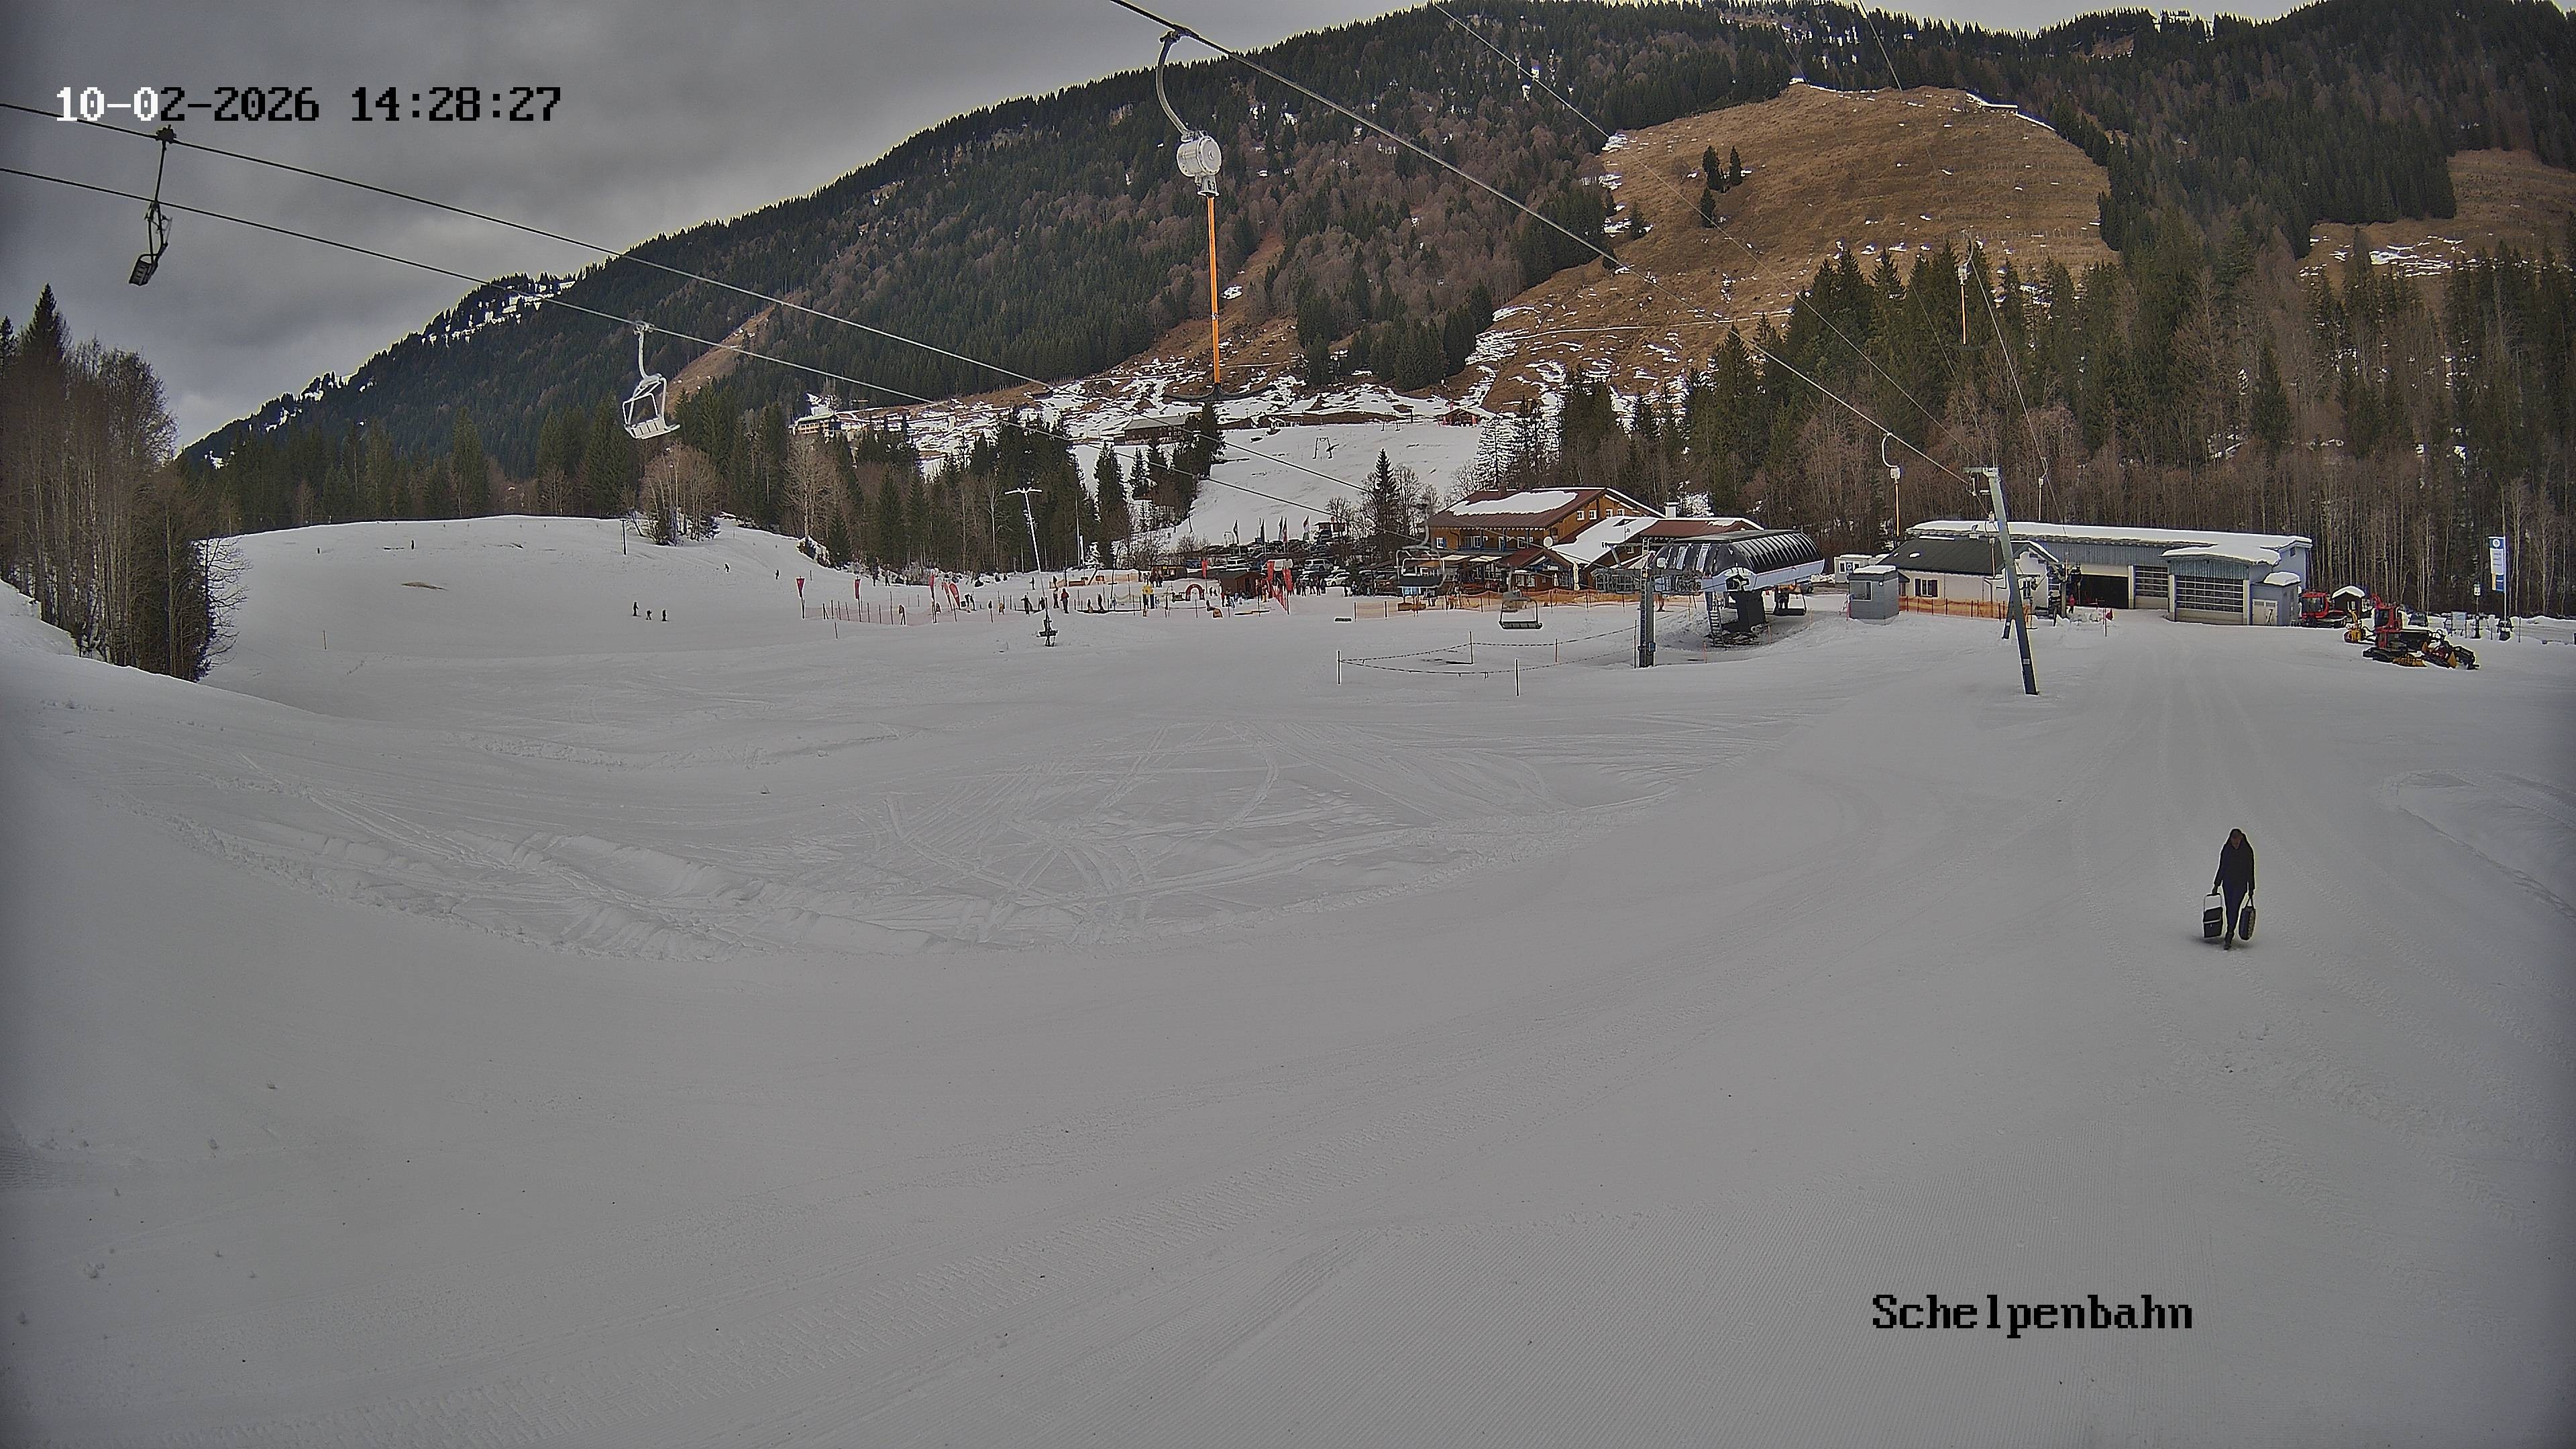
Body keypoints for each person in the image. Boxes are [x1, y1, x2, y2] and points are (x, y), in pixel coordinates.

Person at [2212, 828, 2255, 949]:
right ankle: (2230, 928)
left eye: (2237, 842)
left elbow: (2250, 870)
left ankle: (2230, 933)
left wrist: (2251, 888)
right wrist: (2216, 884)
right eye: (2233, 842)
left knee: (2234, 907)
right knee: (2229, 908)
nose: (2235, 845)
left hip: (2241, 885)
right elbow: (2222, 867)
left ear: (2241, 839)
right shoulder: (2227, 850)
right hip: (2228, 884)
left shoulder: (2247, 851)